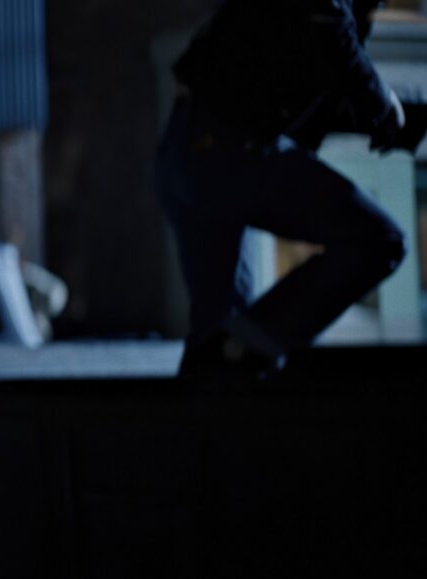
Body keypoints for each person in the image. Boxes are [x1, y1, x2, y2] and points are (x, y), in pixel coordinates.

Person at [155, 0, 410, 380]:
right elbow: (325, 16)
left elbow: (321, 96)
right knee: (378, 241)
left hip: (193, 148)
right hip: (228, 151)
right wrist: (379, 103)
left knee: (218, 346)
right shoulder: (332, 13)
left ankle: (215, 386)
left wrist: (391, 114)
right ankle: (237, 352)